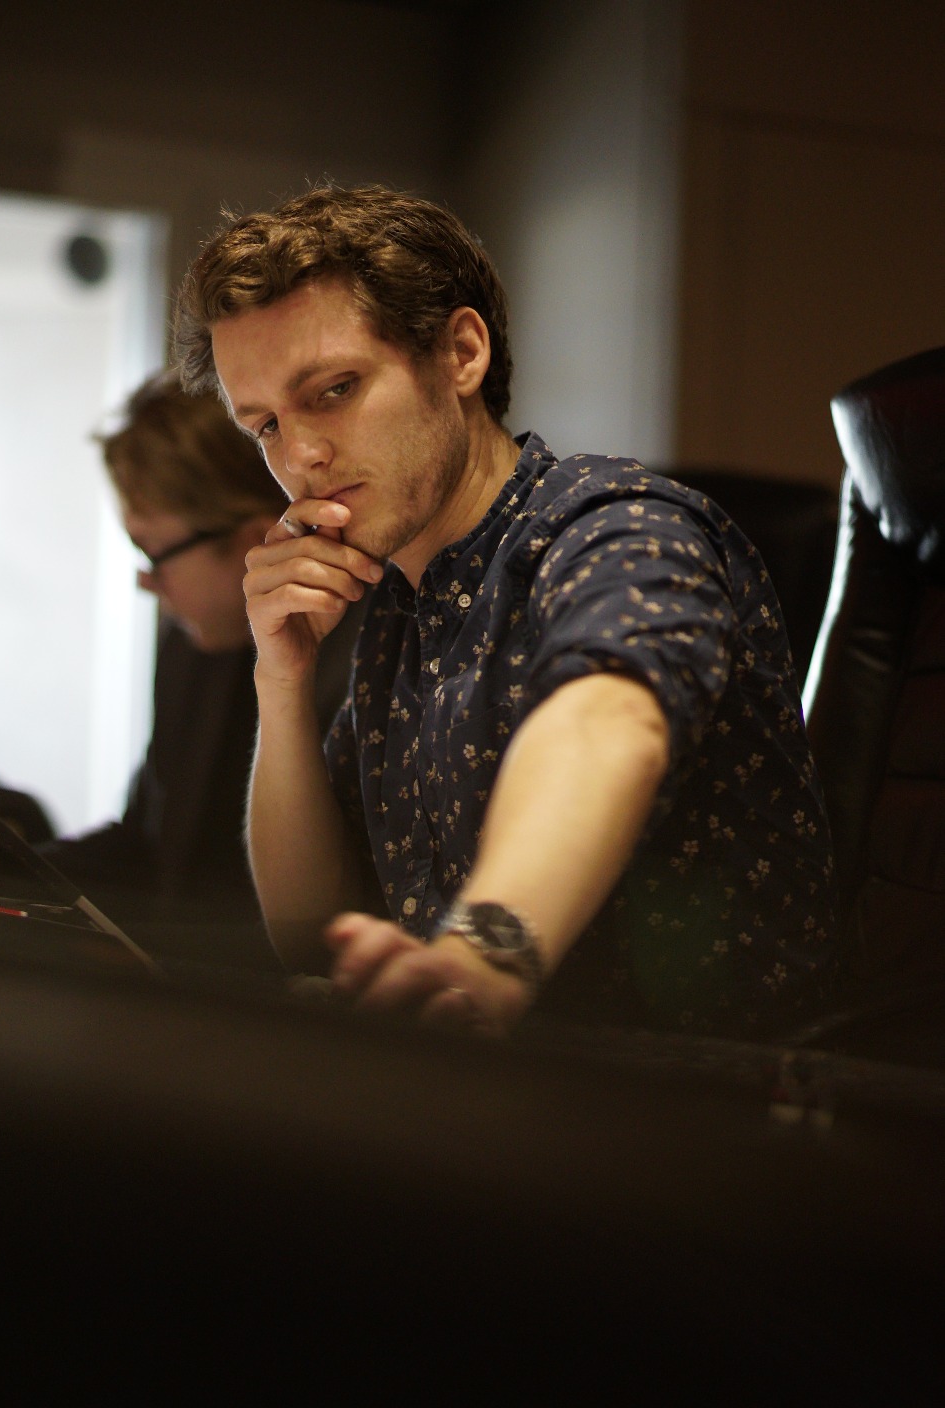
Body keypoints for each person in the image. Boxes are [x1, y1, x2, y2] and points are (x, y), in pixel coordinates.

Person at [172, 184, 837, 1037]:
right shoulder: (402, 606)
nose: (298, 455)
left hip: (706, 1115)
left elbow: (608, 721)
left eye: (334, 389)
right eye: (263, 424)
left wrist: (482, 956)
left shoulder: (619, 527)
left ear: (460, 353)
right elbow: (309, 939)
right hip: (501, 1106)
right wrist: (282, 679)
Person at [44, 370, 358, 937]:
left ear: (250, 541)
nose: (147, 583)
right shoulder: (193, 650)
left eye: (154, 553)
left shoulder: (366, 664)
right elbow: (148, 851)